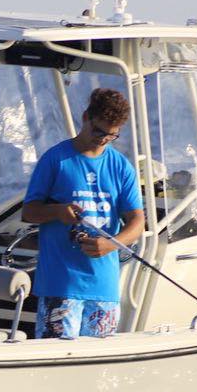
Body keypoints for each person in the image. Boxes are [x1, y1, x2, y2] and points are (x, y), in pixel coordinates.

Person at [21, 87, 145, 339]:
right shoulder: (56, 159)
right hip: (61, 286)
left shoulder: (121, 166)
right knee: (55, 363)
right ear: (86, 117)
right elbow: (29, 212)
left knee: (100, 369)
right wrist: (57, 211)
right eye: (98, 131)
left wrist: (111, 244)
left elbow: (137, 222)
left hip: (104, 289)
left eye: (112, 135)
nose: (102, 139)